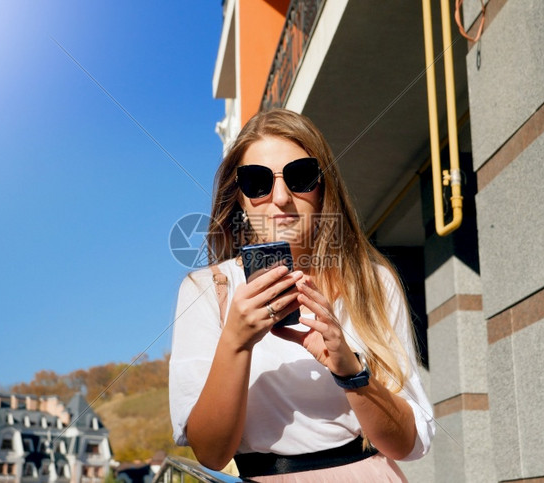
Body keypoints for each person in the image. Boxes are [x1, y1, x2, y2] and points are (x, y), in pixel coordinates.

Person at [169, 109, 434, 481]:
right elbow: (211, 454)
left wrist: (351, 370)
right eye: (257, 181)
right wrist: (236, 342)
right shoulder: (206, 291)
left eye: (300, 176)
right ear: (241, 197)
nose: (280, 198)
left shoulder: (373, 281)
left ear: (323, 186)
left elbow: (406, 445)